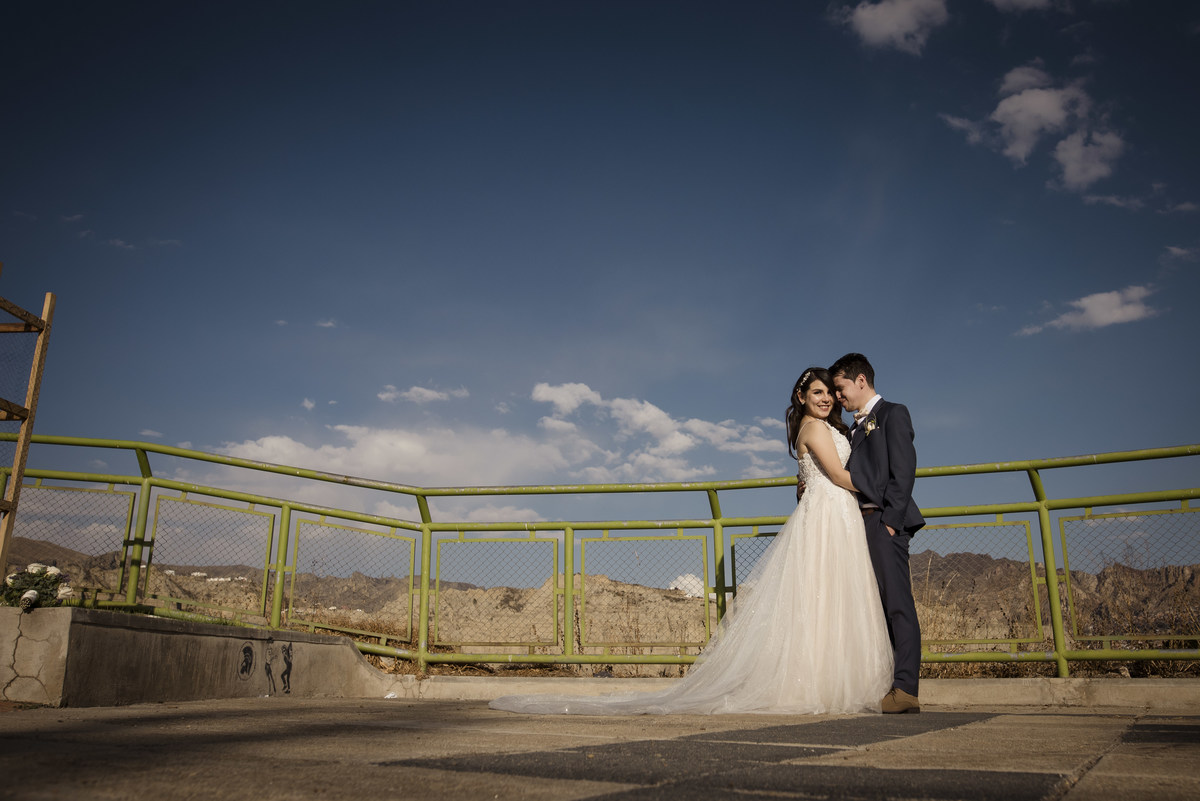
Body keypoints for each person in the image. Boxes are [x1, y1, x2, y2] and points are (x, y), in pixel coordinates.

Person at [489, 367, 892, 715]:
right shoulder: (814, 427)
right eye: (817, 392)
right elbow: (839, 476)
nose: (826, 399)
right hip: (831, 511)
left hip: (833, 510)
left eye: (829, 393)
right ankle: (819, 684)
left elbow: (811, 479)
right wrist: (881, 493)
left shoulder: (825, 427)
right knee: (824, 595)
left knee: (829, 596)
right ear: (802, 397)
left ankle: (830, 681)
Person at [828, 352, 924, 714]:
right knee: (873, 608)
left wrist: (889, 522)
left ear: (861, 381)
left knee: (897, 604)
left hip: (883, 521)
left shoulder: (892, 414)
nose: (838, 396)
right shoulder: (852, 428)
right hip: (857, 525)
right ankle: (883, 682)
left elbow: (904, 472)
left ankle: (905, 689)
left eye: (841, 388)